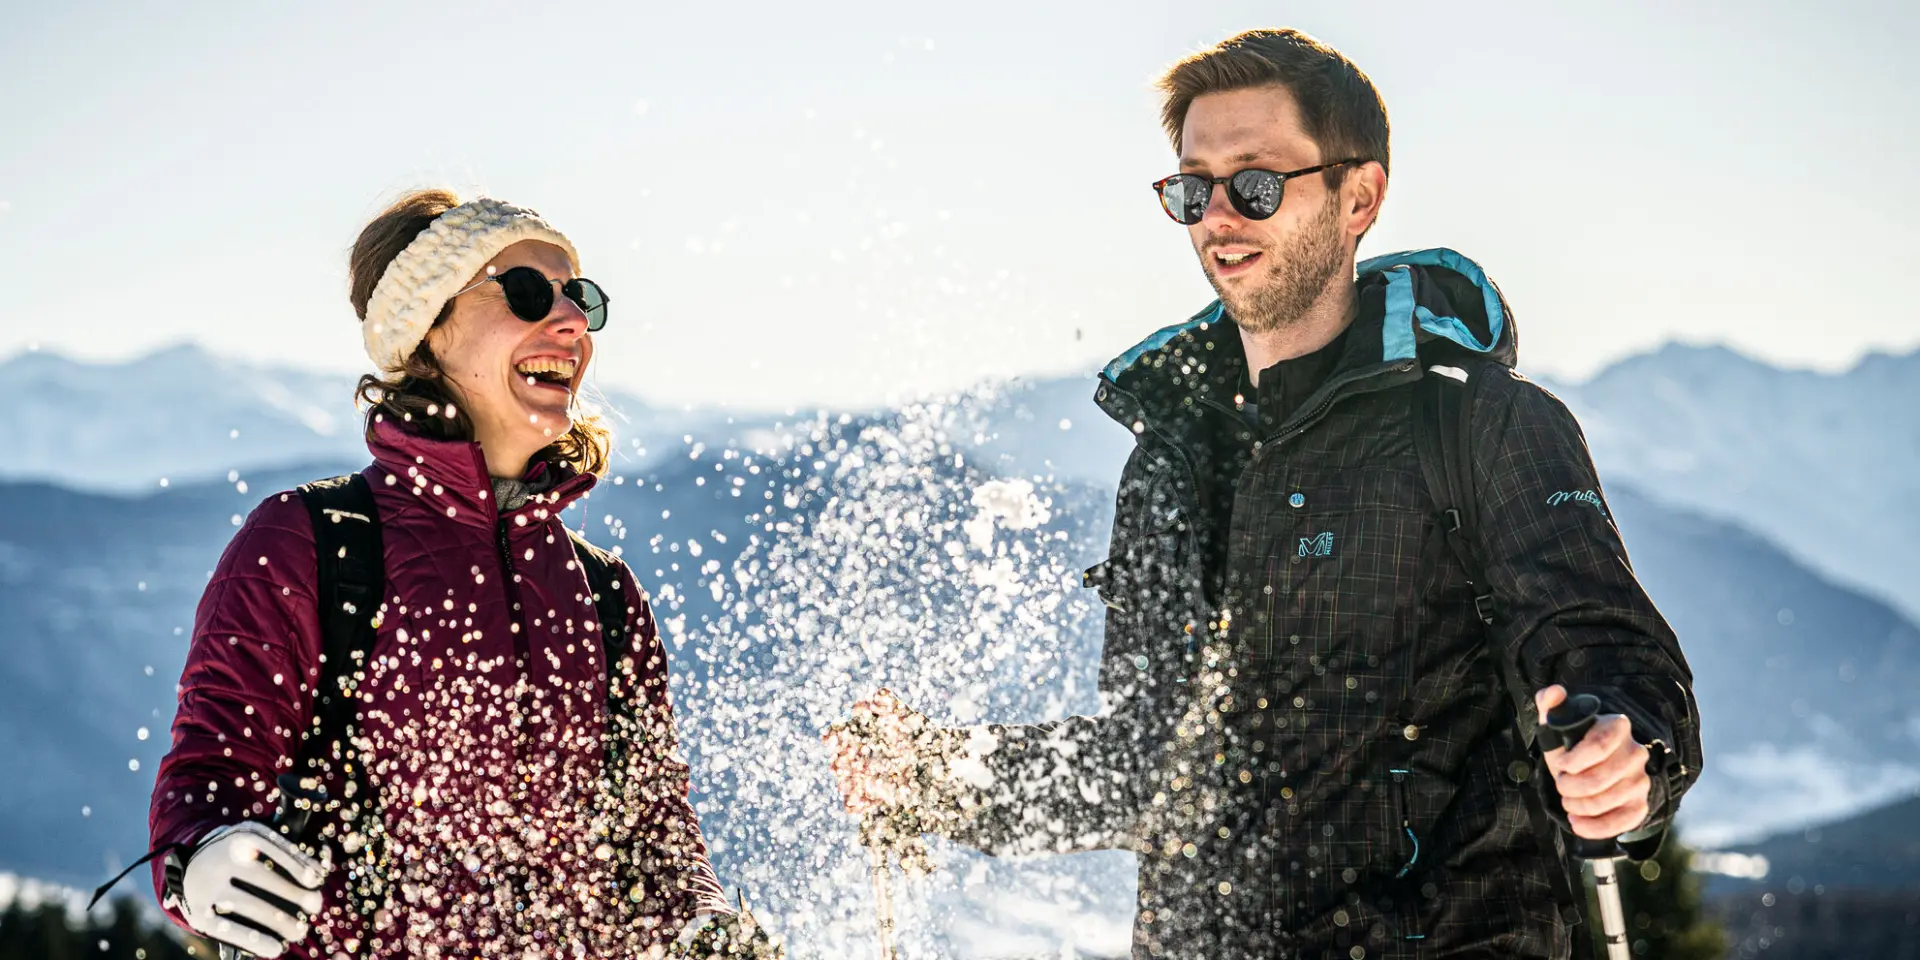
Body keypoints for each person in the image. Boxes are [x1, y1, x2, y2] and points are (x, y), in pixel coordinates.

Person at [827, 29, 1702, 960]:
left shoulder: (1481, 424)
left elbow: (1610, 654)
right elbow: (1151, 763)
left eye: (1253, 184)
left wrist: (1628, 752)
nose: (1217, 217)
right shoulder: (1172, 463)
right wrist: (938, 774)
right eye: (1192, 190)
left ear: (1358, 197)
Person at [144, 190, 761, 958]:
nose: (571, 321)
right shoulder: (313, 543)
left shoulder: (605, 594)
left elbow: (653, 832)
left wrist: (703, 924)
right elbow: (210, 776)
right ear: (428, 330)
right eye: (527, 292)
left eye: (581, 297)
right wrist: (200, 860)